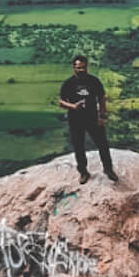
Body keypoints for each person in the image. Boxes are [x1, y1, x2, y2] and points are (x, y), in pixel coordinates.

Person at [56, 55, 116, 183]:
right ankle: (83, 172)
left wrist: (102, 116)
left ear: (87, 66)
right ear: (74, 68)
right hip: (75, 119)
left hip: (93, 117)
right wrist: (73, 106)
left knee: (103, 144)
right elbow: (61, 102)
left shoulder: (93, 81)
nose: (81, 70)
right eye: (78, 67)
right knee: (79, 147)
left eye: (83, 67)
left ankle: (108, 169)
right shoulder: (68, 83)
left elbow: (102, 98)